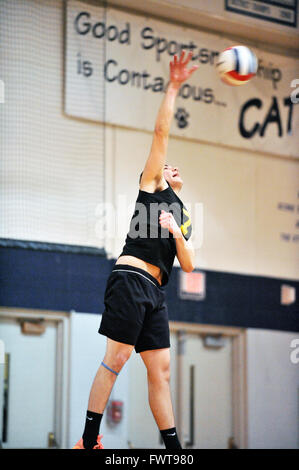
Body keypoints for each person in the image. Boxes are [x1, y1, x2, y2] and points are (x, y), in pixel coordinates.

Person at [73, 50, 198, 450]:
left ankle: (174, 452)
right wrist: (174, 86)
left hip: (156, 292)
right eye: (166, 167)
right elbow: (161, 134)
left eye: (174, 168)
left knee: (160, 372)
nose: (170, 167)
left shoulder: (182, 213)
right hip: (130, 278)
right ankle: (89, 441)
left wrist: (175, 232)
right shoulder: (150, 187)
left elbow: (190, 265)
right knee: (117, 359)